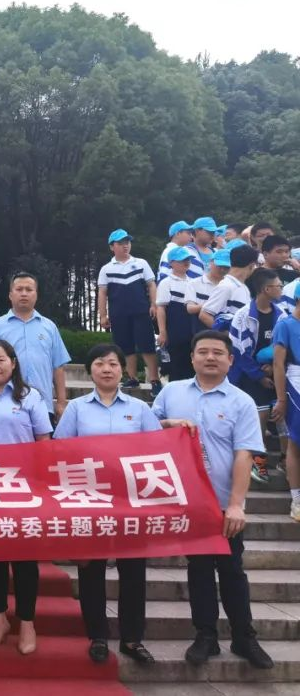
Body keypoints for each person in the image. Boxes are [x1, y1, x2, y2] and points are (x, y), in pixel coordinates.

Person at [152, 330, 273, 670]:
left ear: (230, 360)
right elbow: (146, 431)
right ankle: (205, 635)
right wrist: (168, 423)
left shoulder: (242, 402)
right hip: (187, 502)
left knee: (232, 570)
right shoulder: (172, 392)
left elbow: (245, 454)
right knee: (200, 569)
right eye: (202, 351)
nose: (210, 357)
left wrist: (235, 504)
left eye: (218, 353)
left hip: (223, 502)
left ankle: (243, 636)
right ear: (192, 358)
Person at [54, 344, 160, 666]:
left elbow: (158, 449)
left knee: (133, 571)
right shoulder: (76, 408)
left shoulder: (139, 409)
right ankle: (97, 636)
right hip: (90, 500)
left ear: (122, 369)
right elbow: (59, 452)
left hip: (131, 503)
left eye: (113, 363)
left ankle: (132, 638)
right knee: (91, 570)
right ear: (90, 371)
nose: (107, 369)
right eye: (99, 363)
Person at [0, 338, 53, 655]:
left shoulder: (31, 397)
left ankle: (27, 622)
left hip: (22, 490)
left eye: (0, 359)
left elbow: (44, 442)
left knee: (24, 559)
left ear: (13, 363)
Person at [0, 272, 71, 419]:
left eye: (29, 290)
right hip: (5, 406)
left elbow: (58, 367)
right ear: (10, 295)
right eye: (19, 289)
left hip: (43, 405)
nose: (24, 293)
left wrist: (61, 403)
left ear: (36, 295)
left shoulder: (49, 327)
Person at [229, 268, 289, 485]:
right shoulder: (243, 315)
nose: (281, 289)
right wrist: (259, 374)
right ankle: (257, 460)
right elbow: (239, 352)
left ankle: (285, 459)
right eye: (278, 286)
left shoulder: (281, 314)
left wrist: (273, 368)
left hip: (275, 372)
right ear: (266, 289)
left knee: (283, 417)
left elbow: (285, 347)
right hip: (248, 376)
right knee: (259, 417)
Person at [96, 229, 161, 394]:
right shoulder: (106, 269)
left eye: (127, 242)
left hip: (141, 311)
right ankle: (132, 378)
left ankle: (155, 380)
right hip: (118, 314)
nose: (125, 246)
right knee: (125, 347)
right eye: (120, 243)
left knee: (147, 346)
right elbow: (102, 292)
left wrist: (154, 304)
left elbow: (151, 285)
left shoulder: (141, 263)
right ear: (112, 247)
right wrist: (102, 315)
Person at [272, 298, 300, 521]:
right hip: (296, 382)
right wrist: (281, 398)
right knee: (295, 442)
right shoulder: (285, 324)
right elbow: (278, 363)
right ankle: (296, 498)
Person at [156, 248, 197, 381]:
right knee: (176, 366)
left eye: (188, 259)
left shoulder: (194, 282)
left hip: (191, 331)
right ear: (172, 263)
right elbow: (161, 308)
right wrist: (163, 332)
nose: (186, 262)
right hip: (174, 331)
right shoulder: (166, 283)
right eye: (182, 260)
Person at [200, 245, 258, 329]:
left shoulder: (243, 287)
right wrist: (227, 335)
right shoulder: (226, 286)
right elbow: (204, 315)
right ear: (252, 265)